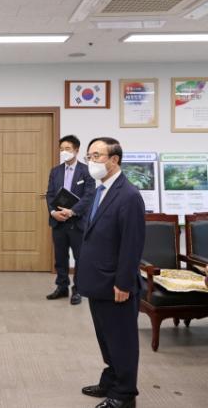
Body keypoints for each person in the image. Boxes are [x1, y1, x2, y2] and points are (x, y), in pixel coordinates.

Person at [77, 137, 145, 408]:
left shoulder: (129, 196)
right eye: (89, 156)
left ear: (114, 159)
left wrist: (124, 283)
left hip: (116, 284)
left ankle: (124, 394)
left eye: (96, 156)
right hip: (98, 281)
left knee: (122, 341)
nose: (91, 162)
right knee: (106, 338)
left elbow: (132, 245)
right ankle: (111, 380)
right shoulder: (100, 190)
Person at [45, 135, 95, 305]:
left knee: (80, 258)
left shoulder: (86, 171)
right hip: (58, 221)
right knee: (60, 257)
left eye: (67, 149)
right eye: (61, 149)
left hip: (77, 222)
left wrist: (72, 211)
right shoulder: (55, 171)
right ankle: (62, 287)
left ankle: (78, 290)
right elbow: (50, 194)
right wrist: (53, 212)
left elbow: (89, 196)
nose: (64, 152)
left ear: (76, 150)